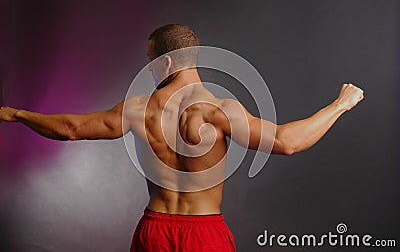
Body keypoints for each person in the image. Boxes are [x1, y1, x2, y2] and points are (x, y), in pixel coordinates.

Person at [0, 24, 364, 252]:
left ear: (167, 63)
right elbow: (287, 142)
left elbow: (71, 129)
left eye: (151, 59)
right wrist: (340, 104)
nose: (148, 66)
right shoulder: (219, 110)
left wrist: (15, 113)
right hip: (205, 237)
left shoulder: (139, 108)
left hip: (154, 231)